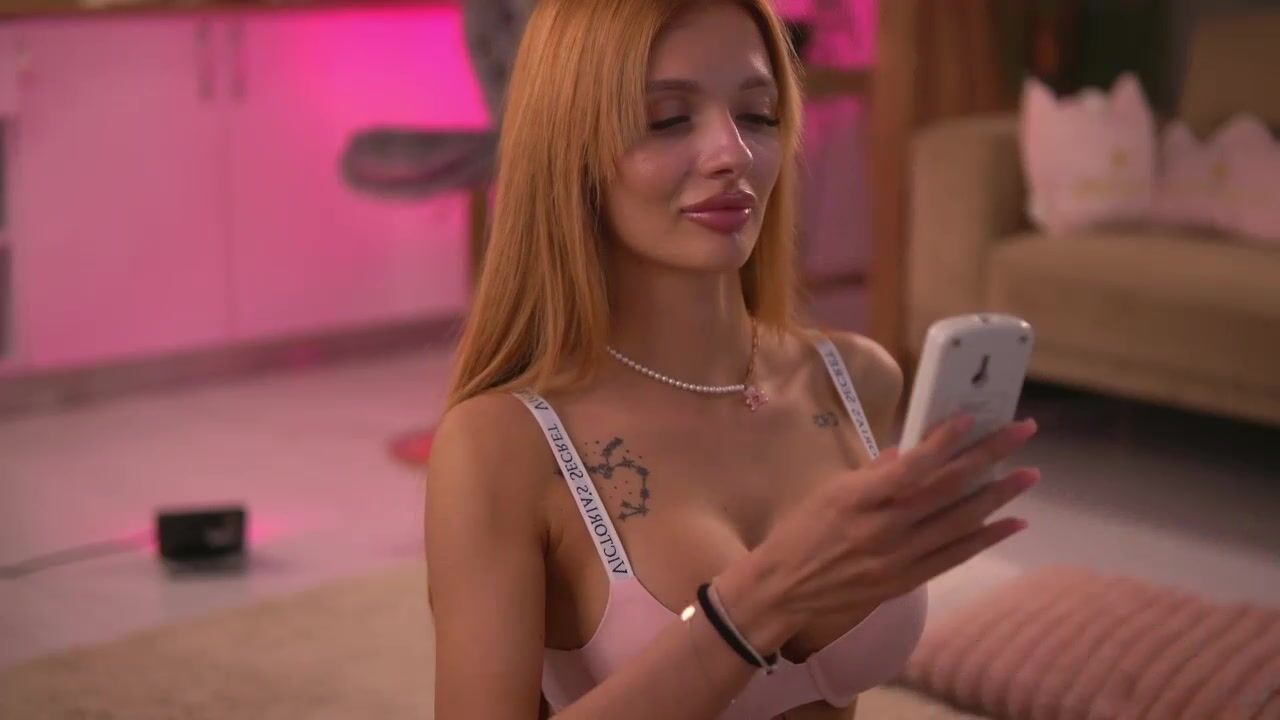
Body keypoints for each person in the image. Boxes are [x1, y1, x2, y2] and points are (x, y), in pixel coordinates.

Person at [424, 1, 1041, 718]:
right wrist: (759, 602)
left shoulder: (854, 380)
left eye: (757, 115)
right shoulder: (502, 447)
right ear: (570, 150)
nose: (733, 153)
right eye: (667, 119)